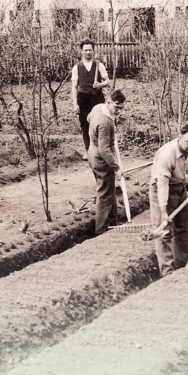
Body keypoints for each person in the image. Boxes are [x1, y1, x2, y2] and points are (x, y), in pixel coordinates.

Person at [150, 123, 188, 277]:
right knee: (164, 232)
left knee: (183, 227)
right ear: (180, 137)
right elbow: (162, 184)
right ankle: (167, 272)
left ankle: (183, 264)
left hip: (180, 187)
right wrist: (163, 211)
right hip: (162, 189)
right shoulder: (167, 155)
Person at [87, 89, 127, 234]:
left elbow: (88, 118)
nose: (118, 111)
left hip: (92, 152)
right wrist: (117, 168)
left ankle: (112, 223)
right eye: (116, 107)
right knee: (104, 194)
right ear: (108, 102)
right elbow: (104, 150)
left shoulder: (98, 107)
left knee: (109, 191)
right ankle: (101, 230)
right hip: (101, 160)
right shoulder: (105, 122)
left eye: (121, 108)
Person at [71, 40, 111, 156]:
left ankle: (100, 150)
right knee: (85, 125)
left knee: (99, 124)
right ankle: (88, 151)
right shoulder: (77, 67)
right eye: (85, 50)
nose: (88, 52)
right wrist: (75, 103)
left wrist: (100, 85)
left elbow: (107, 81)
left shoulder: (99, 65)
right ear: (81, 51)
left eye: (90, 50)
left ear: (93, 51)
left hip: (97, 98)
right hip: (83, 99)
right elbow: (74, 87)